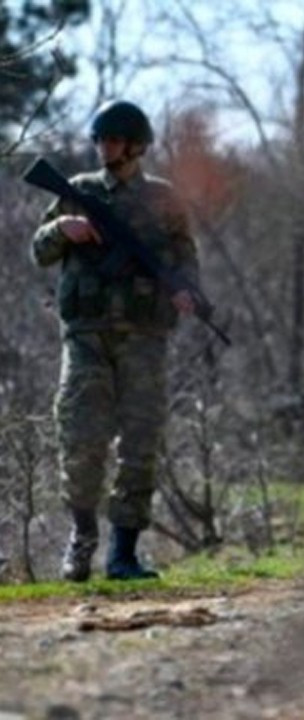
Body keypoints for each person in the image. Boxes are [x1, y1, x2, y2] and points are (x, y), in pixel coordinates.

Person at [30, 100, 201, 581]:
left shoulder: (165, 200)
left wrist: (188, 291)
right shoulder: (78, 191)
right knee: (81, 440)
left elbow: (186, 258)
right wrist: (62, 228)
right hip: (86, 339)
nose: (105, 148)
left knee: (141, 443)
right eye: (100, 140)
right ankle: (81, 539)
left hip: (146, 339)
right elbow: (39, 251)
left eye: (114, 140)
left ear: (137, 146)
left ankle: (123, 553)